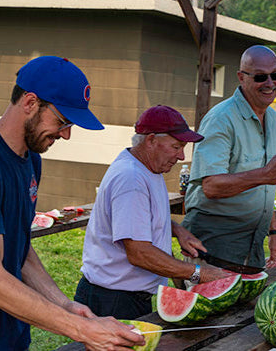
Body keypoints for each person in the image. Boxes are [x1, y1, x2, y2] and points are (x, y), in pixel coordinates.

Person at [0, 56, 145, 351]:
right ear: (30, 103)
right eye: (62, 121)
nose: (67, 134)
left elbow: (21, 249)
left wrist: (65, 305)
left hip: (11, 335)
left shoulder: (31, 160)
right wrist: (82, 329)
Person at [75, 105, 229, 319]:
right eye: (176, 146)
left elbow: (139, 220)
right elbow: (139, 252)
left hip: (124, 296)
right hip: (113, 300)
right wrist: (198, 274)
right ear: (151, 140)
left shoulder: (148, 169)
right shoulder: (131, 179)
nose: (181, 155)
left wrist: (176, 230)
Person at [182, 45, 276, 272]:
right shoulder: (221, 119)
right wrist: (265, 174)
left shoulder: (272, 118)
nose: (270, 83)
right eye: (261, 77)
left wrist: (273, 232)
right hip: (215, 241)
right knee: (215, 305)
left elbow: (263, 188)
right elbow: (211, 186)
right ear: (241, 77)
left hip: (253, 241)